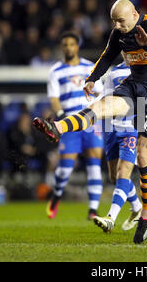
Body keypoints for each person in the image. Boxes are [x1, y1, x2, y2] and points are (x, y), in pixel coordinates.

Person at [32, 0, 147, 244]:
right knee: (100, 106)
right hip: (134, 85)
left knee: (143, 156)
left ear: (133, 13)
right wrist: (91, 78)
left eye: (120, 20)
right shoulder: (118, 33)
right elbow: (107, 56)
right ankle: (57, 127)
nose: (117, 25)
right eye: (113, 21)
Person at [93, 58, 147, 233]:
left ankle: (111, 217)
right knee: (115, 177)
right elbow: (106, 98)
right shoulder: (113, 72)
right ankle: (136, 207)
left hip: (134, 128)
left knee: (123, 174)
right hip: (112, 128)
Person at [45, 31, 104, 221]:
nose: (69, 48)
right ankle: (57, 194)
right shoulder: (55, 71)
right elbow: (54, 99)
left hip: (90, 122)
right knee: (66, 167)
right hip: (70, 123)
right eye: (65, 45)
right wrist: (62, 118)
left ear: (77, 46)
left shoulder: (90, 67)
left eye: (72, 44)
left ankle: (93, 209)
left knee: (94, 162)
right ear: (62, 48)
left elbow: (101, 93)